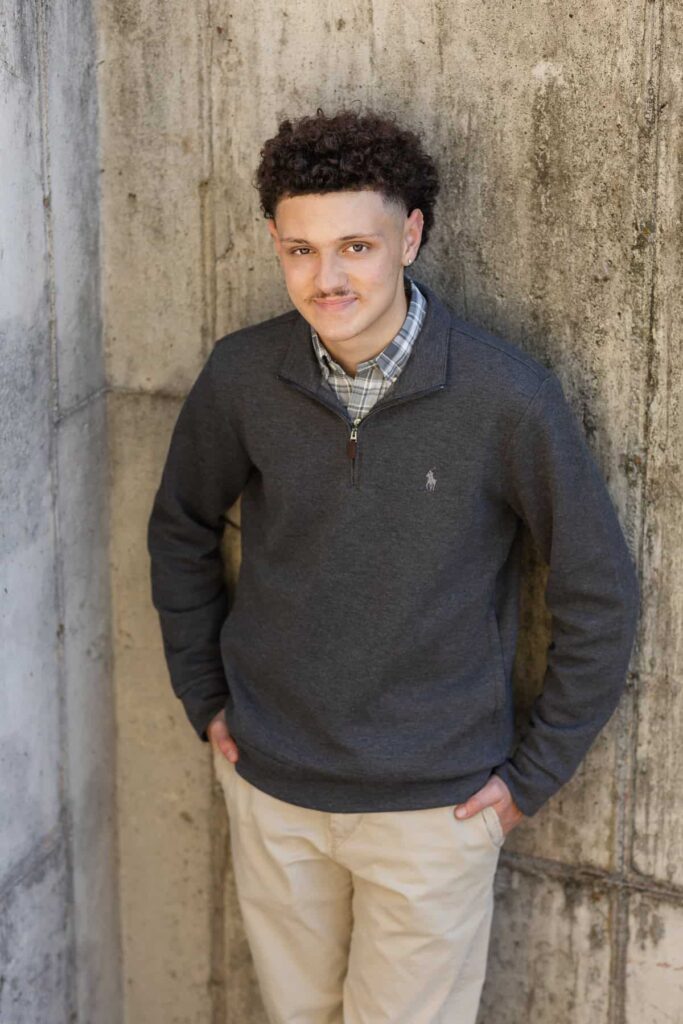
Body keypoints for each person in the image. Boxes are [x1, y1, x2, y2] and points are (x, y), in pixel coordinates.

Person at [146, 106, 640, 1024]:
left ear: (409, 235)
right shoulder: (244, 375)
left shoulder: (505, 398)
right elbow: (179, 528)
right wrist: (205, 698)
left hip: (433, 813)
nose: (326, 278)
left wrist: (526, 783)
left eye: (356, 247)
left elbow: (598, 597)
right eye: (300, 250)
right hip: (271, 784)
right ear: (274, 243)